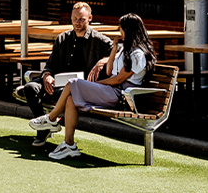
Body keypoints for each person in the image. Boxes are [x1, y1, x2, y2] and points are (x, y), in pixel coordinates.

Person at [28, 13, 154, 160]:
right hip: (112, 91)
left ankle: (51, 118)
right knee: (70, 99)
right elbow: (109, 71)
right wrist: (114, 50)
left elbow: (118, 79)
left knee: (73, 83)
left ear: (129, 30)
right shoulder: (125, 51)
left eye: (121, 27)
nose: (119, 30)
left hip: (122, 96)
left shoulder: (138, 54)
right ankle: (69, 145)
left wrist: (96, 84)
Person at [15, 2, 113, 147]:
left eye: (81, 19)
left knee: (64, 94)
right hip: (58, 80)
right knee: (30, 87)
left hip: (78, 86)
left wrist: (104, 60)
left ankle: (47, 126)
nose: (77, 22)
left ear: (90, 18)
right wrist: (47, 74)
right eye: (74, 19)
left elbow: (118, 52)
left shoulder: (99, 39)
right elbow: (51, 63)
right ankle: (45, 127)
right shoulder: (62, 38)